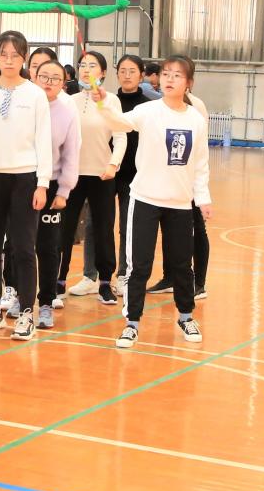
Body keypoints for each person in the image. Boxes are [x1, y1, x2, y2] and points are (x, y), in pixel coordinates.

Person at [90, 55, 211, 348]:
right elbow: (119, 122)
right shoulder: (147, 110)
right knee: (139, 265)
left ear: (189, 83)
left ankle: (186, 316)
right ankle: (131, 322)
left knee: (182, 265)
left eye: (177, 75)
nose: (170, 79)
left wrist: (203, 198)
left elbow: (200, 163)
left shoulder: (196, 119)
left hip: (180, 204)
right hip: (144, 199)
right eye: (166, 74)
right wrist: (103, 103)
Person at [0, 30, 52, 341]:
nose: (8, 60)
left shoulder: (35, 94)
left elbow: (43, 140)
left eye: (15, 55)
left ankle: (27, 312)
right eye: (3, 55)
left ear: (24, 59)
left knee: (23, 248)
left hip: (25, 177)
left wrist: (42, 183)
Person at [58, 51, 126, 306]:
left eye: (92, 65)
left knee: (103, 230)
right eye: (82, 65)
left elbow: (120, 136)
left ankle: (105, 283)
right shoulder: (69, 101)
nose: (86, 70)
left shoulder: (112, 101)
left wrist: (113, 165)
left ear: (103, 72)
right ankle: (59, 280)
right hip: (72, 175)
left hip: (101, 175)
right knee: (64, 230)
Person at [145, 88, 211, 299]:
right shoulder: (160, 107)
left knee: (197, 230)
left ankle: (198, 283)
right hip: (169, 181)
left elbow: (199, 150)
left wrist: (200, 192)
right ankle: (169, 278)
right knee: (169, 230)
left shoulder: (195, 106)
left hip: (188, 181)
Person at [32, 60, 81, 329]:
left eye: (55, 78)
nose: (48, 82)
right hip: (22, 181)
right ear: (34, 76)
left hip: (51, 185)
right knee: (17, 246)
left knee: (48, 247)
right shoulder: (25, 105)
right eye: (43, 76)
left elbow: (71, 153)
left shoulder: (66, 110)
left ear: (64, 83)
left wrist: (63, 190)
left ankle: (47, 302)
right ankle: (18, 297)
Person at [112, 55, 153, 294]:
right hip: (107, 172)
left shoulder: (148, 107)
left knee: (127, 226)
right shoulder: (109, 102)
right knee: (97, 225)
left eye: (132, 71)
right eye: (123, 71)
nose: (127, 75)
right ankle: (92, 275)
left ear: (141, 75)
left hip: (134, 175)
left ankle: (124, 274)